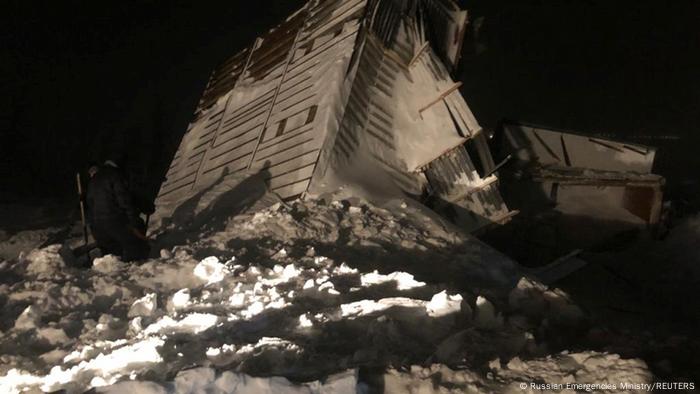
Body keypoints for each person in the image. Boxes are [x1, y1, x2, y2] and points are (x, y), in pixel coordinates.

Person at [85, 160, 150, 261]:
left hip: (97, 229)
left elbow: (90, 206)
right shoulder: (115, 176)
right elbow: (125, 201)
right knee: (138, 246)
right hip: (114, 223)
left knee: (113, 254)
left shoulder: (93, 181)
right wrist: (135, 222)